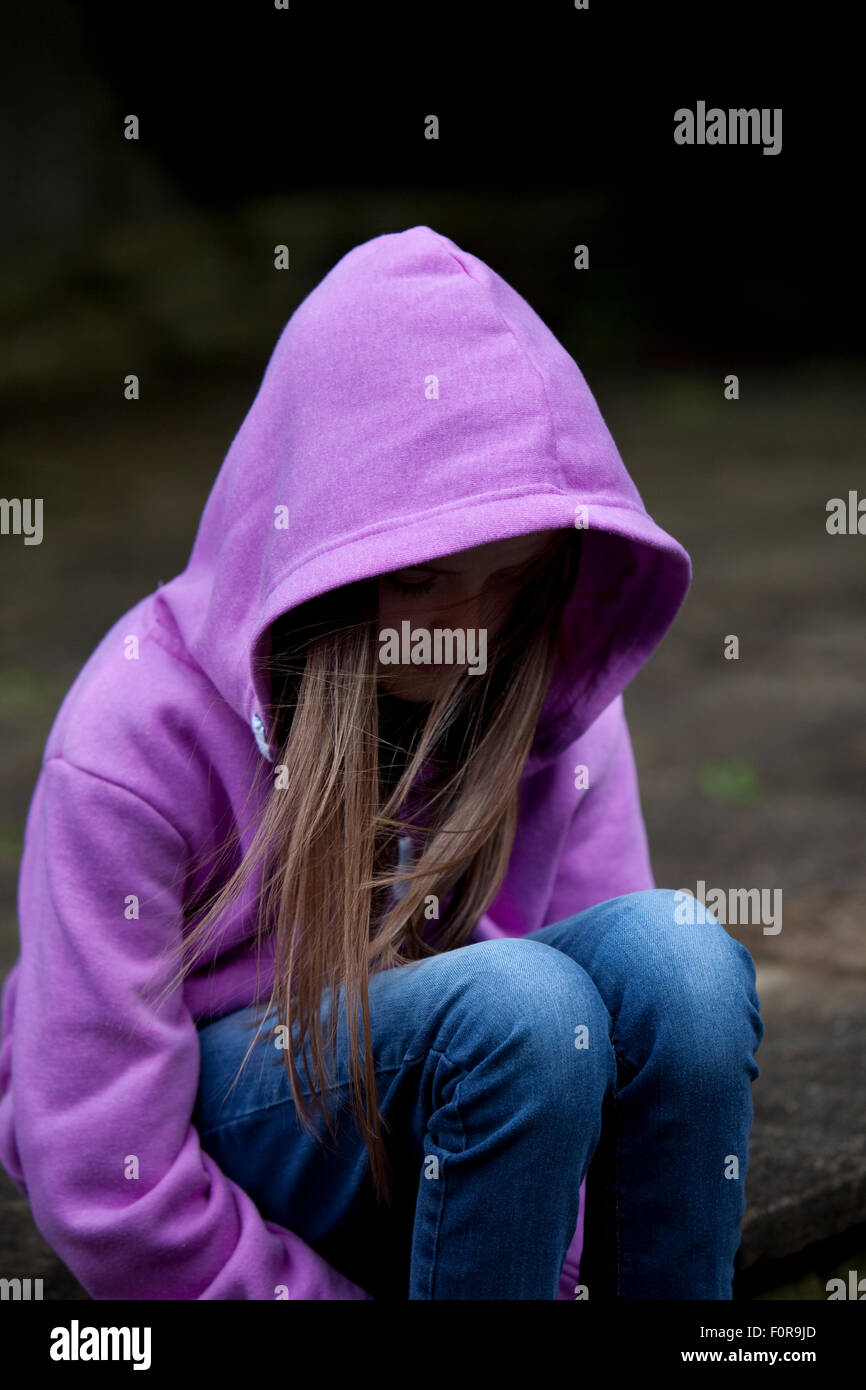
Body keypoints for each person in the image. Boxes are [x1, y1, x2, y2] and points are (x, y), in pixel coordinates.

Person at [0, 224, 764, 1300]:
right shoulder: (131, 733)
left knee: (676, 959)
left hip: (498, 1121)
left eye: (511, 576)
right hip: (246, 1140)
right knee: (522, 1007)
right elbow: (102, 1179)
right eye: (420, 582)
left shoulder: (547, 682)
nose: (471, 628)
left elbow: (612, 1046)